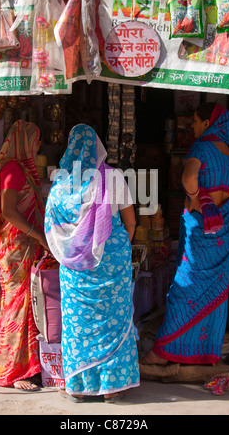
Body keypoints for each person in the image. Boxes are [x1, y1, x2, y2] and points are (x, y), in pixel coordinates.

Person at [44, 123, 140, 402]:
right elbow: (130, 222)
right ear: (98, 147)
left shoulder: (61, 183)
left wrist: (75, 250)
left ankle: (78, 386)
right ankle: (112, 387)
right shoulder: (112, 177)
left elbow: (53, 226)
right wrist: (113, 249)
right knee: (114, 319)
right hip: (113, 260)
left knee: (78, 323)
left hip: (75, 267)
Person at [141, 103, 229, 366]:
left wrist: (195, 197)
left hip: (202, 232)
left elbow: (189, 177)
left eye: (195, 121)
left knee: (184, 290)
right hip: (226, 232)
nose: (191, 126)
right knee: (216, 292)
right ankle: (204, 352)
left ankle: (162, 353)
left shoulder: (201, 147)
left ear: (208, 124)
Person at [0, 120, 48, 391]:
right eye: (35, 142)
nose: (37, 147)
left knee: (24, 307)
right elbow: (9, 211)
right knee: (17, 307)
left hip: (23, 248)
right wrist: (38, 234)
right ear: (25, 142)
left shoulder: (17, 169)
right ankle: (11, 372)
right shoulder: (13, 170)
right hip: (17, 250)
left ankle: (24, 368)